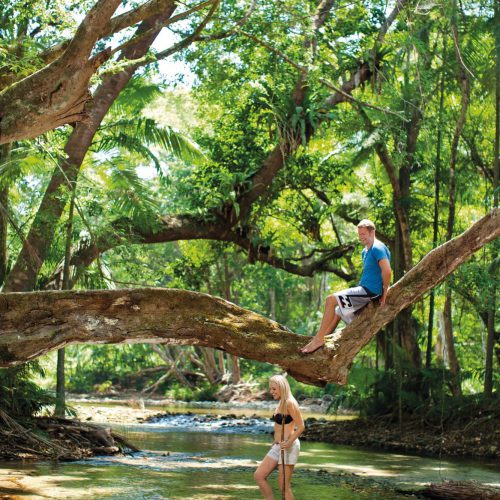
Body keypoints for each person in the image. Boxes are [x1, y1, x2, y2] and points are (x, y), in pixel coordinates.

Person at [300, 219, 391, 354]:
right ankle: (324, 339)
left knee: (330, 300)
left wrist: (384, 293)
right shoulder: (365, 251)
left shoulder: (377, 248)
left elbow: (387, 271)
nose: (361, 237)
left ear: (373, 232)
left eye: (364, 234)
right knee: (338, 310)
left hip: (370, 291)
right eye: (359, 234)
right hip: (365, 290)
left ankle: (318, 339)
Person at [254, 374, 305, 500]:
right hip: (278, 446)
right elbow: (279, 426)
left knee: (283, 486)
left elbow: (301, 426)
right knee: (259, 476)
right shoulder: (281, 402)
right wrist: (275, 441)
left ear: (282, 388)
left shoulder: (289, 403)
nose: (271, 392)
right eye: (270, 389)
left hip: (288, 446)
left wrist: (288, 443)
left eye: (274, 389)